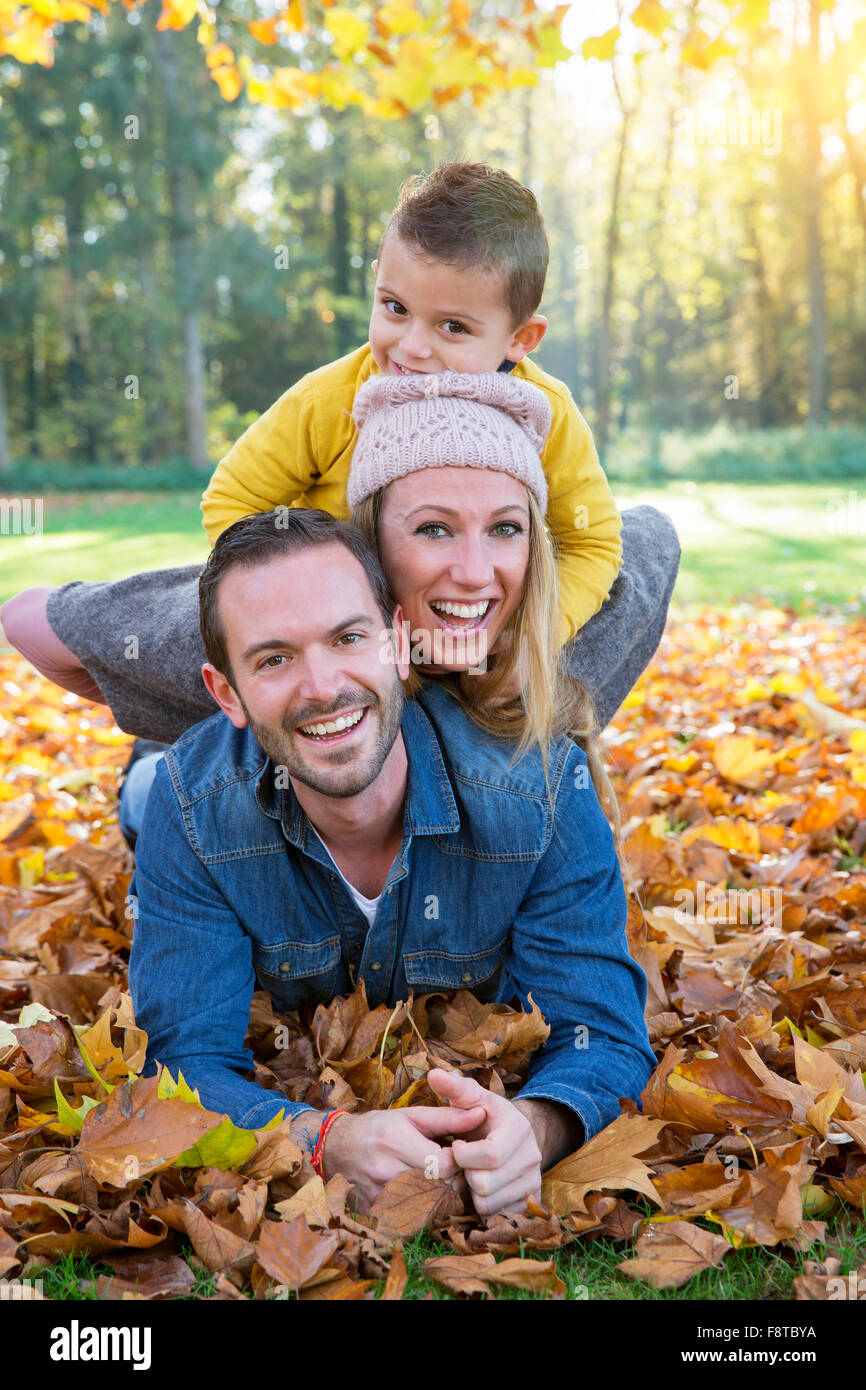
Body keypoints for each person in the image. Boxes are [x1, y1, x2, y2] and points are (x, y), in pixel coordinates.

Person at [0, 161, 680, 757]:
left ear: (522, 337)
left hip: (476, 630)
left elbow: (593, 538)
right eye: (393, 307)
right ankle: (178, 754)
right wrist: (303, 593)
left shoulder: (548, 413)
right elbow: (233, 499)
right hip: (337, 617)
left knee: (645, 551)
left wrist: (534, 641)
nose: (411, 347)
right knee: (150, 626)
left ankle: (511, 760)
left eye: (452, 327)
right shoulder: (333, 397)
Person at [128, 506, 656, 1217]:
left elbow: (603, 1031)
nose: (322, 687)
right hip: (184, 788)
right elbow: (183, 1066)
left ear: (400, 646)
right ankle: (131, 784)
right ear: (227, 692)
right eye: (274, 659)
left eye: (349, 638)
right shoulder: (192, 808)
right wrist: (324, 1142)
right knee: (143, 796)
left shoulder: (543, 786)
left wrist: (536, 1128)